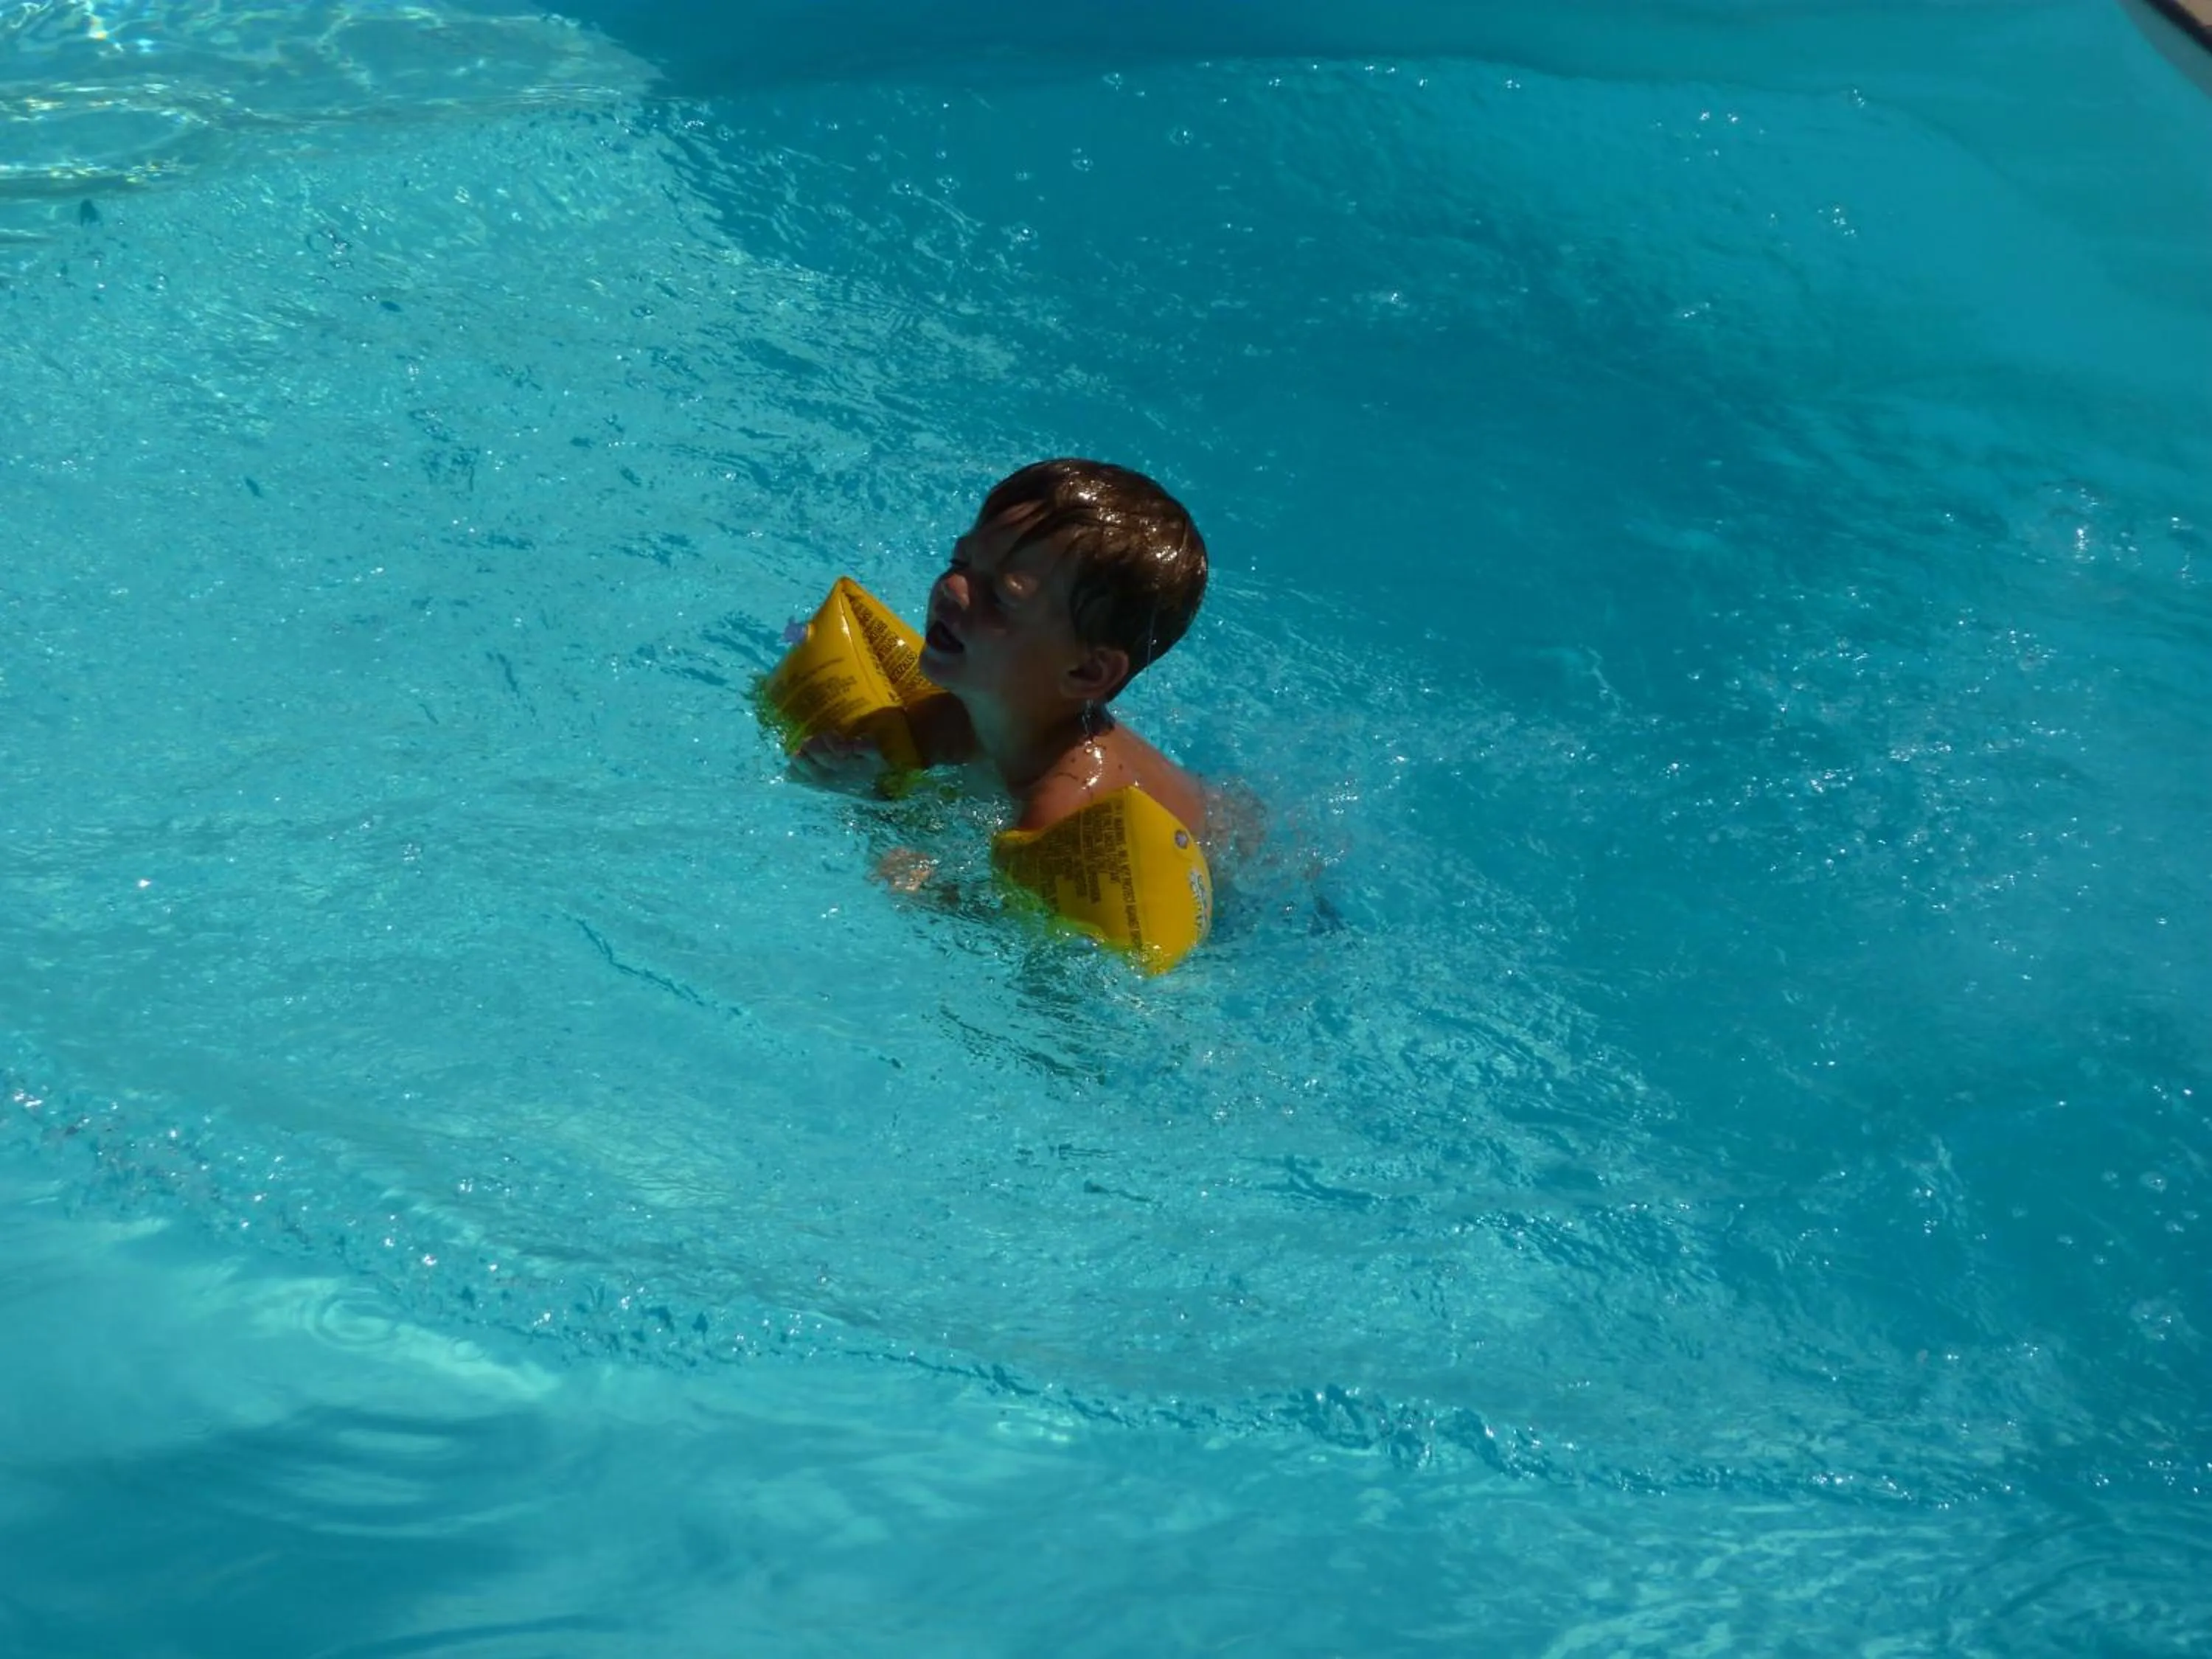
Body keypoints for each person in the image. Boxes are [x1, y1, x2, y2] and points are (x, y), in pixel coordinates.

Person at [794, 458, 1210, 882]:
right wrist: (863, 786)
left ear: (1086, 671)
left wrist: (921, 881)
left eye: (1001, 596)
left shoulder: (1067, 799)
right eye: (960, 564)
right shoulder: (945, 721)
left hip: (1213, 854)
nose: (953, 590)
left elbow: (1010, 923)